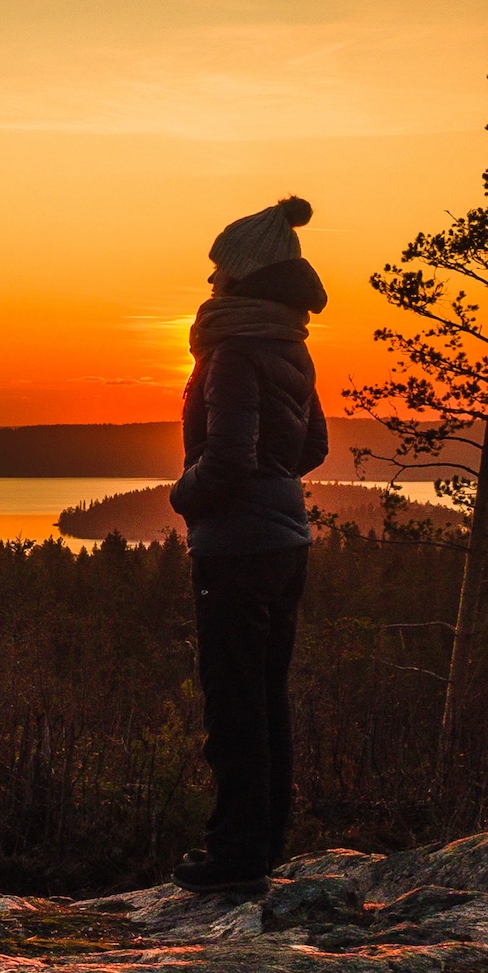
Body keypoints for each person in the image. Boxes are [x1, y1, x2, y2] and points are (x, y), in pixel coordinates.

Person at [166, 196, 329, 891]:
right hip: (286, 542)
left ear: (242, 276)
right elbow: (313, 447)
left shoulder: (233, 350)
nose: (209, 285)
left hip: (237, 548)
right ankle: (262, 846)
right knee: (265, 697)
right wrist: (270, 486)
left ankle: (235, 858)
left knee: (233, 704)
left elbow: (229, 458)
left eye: (217, 274)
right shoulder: (291, 345)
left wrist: (185, 495)